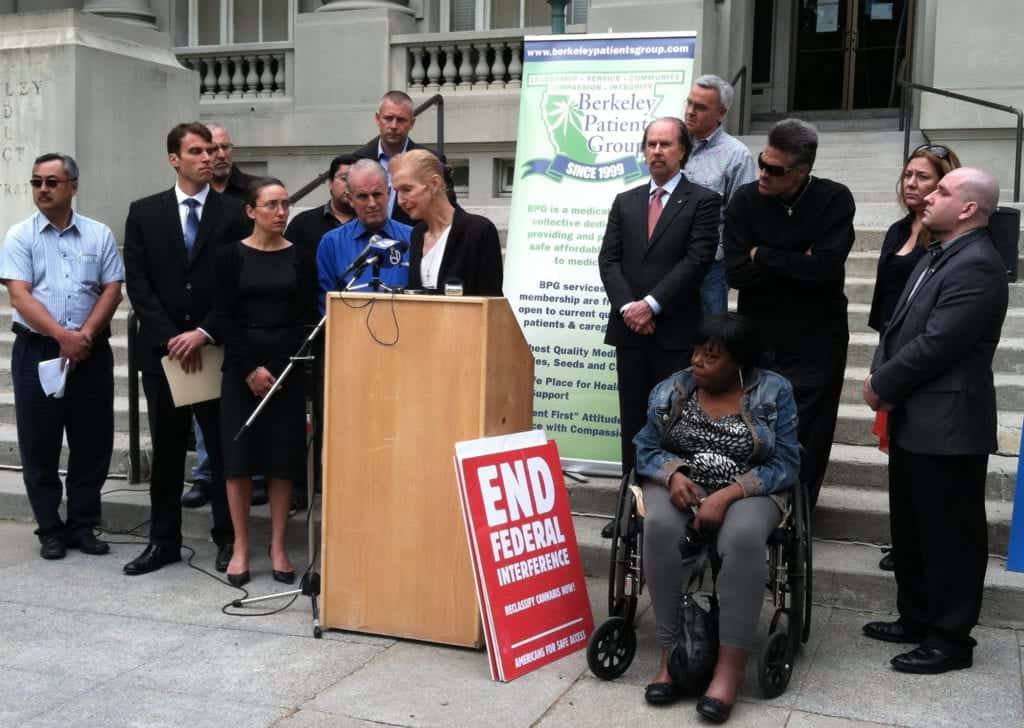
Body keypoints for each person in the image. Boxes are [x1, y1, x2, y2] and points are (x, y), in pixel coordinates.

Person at [862, 168, 1008, 675]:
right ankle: (916, 616)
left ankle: (949, 638)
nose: (928, 194)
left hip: (947, 421)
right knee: (914, 525)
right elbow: (899, 324)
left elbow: (938, 344)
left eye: (942, 190)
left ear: (968, 208)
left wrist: (883, 383)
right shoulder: (936, 252)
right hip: (915, 417)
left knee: (949, 533)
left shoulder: (978, 265)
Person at [634, 313, 799, 723]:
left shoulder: (774, 392)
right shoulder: (671, 390)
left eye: (712, 356)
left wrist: (729, 493)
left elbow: (787, 462)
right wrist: (671, 473)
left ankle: (728, 668)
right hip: (681, 486)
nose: (698, 362)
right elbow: (644, 448)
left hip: (748, 487)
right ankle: (672, 655)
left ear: (740, 362)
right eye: (696, 352)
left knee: (743, 538)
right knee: (657, 526)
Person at [123, 122, 250, 576]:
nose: (208, 157)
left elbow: (238, 283)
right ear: (174, 159)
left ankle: (226, 538)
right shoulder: (145, 212)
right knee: (168, 451)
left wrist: (204, 333)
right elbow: (137, 282)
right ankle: (163, 541)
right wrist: (170, 337)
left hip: (213, 351)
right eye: (196, 151)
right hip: (163, 355)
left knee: (219, 450)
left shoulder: (234, 213)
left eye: (212, 150)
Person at [724, 118, 854, 509]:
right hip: (760, 331)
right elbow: (735, 271)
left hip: (818, 335)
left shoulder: (833, 199)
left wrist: (762, 254)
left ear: (802, 172)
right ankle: (757, 502)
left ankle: (800, 507)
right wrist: (798, 260)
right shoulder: (745, 201)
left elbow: (826, 271)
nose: (762, 173)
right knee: (756, 420)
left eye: (775, 170)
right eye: (761, 162)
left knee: (810, 427)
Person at [0, 153, 123, 560]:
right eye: (37, 182)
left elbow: (111, 289)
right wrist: (60, 336)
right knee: (39, 443)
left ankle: (83, 525)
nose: (43, 190)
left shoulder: (98, 234)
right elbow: (19, 294)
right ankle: (50, 528)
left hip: (90, 351)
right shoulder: (20, 235)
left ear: (72, 186)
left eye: (52, 182)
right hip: (38, 350)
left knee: (92, 441)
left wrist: (83, 335)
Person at [598, 116, 720, 475]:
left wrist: (651, 306)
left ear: (683, 150)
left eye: (665, 144)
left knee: (672, 424)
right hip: (629, 332)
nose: (656, 151)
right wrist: (628, 309)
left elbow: (697, 260)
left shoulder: (703, 201)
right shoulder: (626, 202)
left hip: (674, 332)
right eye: (651, 144)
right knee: (633, 422)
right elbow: (609, 259)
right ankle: (629, 509)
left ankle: (666, 509)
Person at [215, 178, 318, 586]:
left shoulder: (301, 257)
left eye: (285, 204)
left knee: (280, 460)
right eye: (272, 205)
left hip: (285, 369)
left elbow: (304, 315)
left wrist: (276, 369)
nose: (281, 212)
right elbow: (223, 315)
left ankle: (278, 546)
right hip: (241, 367)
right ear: (251, 211)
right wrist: (249, 369)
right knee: (238, 461)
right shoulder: (228, 257)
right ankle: (241, 546)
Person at [868, 143, 962, 572]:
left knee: (918, 461)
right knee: (898, 456)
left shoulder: (944, 241)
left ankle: (916, 547)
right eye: (907, 175)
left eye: (922, 177)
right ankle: (903, 542)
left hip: (918, 363)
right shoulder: (895, 230)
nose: (911, 184)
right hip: (891, 353)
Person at [682, 75, 757, 315]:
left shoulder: (736, 156)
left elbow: (741, 219)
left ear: (721, 113)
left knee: (709, 341)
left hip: (710, 267)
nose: (691, 112)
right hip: (667, 260)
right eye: (689, 103)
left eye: (701, 107)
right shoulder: (673, 143)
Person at [390, 148, 503, 296]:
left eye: (407, 189)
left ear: (435, 184)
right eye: (397, 191)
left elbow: (491, 301)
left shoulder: (478, 230)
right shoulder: (417, 234)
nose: (400, 201)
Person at [316, 159, 412, 313]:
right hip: (350, 331)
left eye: (377, 194)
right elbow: (326, 302)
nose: (372, 203)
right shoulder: (332, 243)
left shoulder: (413, 238)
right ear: (350, 199)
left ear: (388, 193)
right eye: (362, 196)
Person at [352, 90, 455, 226]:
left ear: (412, 123)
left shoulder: (431, 160)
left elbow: (447, 207)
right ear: (377, 119)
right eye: (388, 118)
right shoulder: (357, 160)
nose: (394, 126)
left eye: (401, 120)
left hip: (417, 241)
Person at [284, 153, 357, 257]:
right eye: (344, 178)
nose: (349, 184)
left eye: (355, 179)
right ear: (330, 183)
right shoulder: (302, 223)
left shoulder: (371, 223)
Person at [207, 123, 255, 200]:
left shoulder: (256, 189)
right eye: (213, 149)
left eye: (225, 147)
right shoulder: (193, 191)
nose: (221, 155)